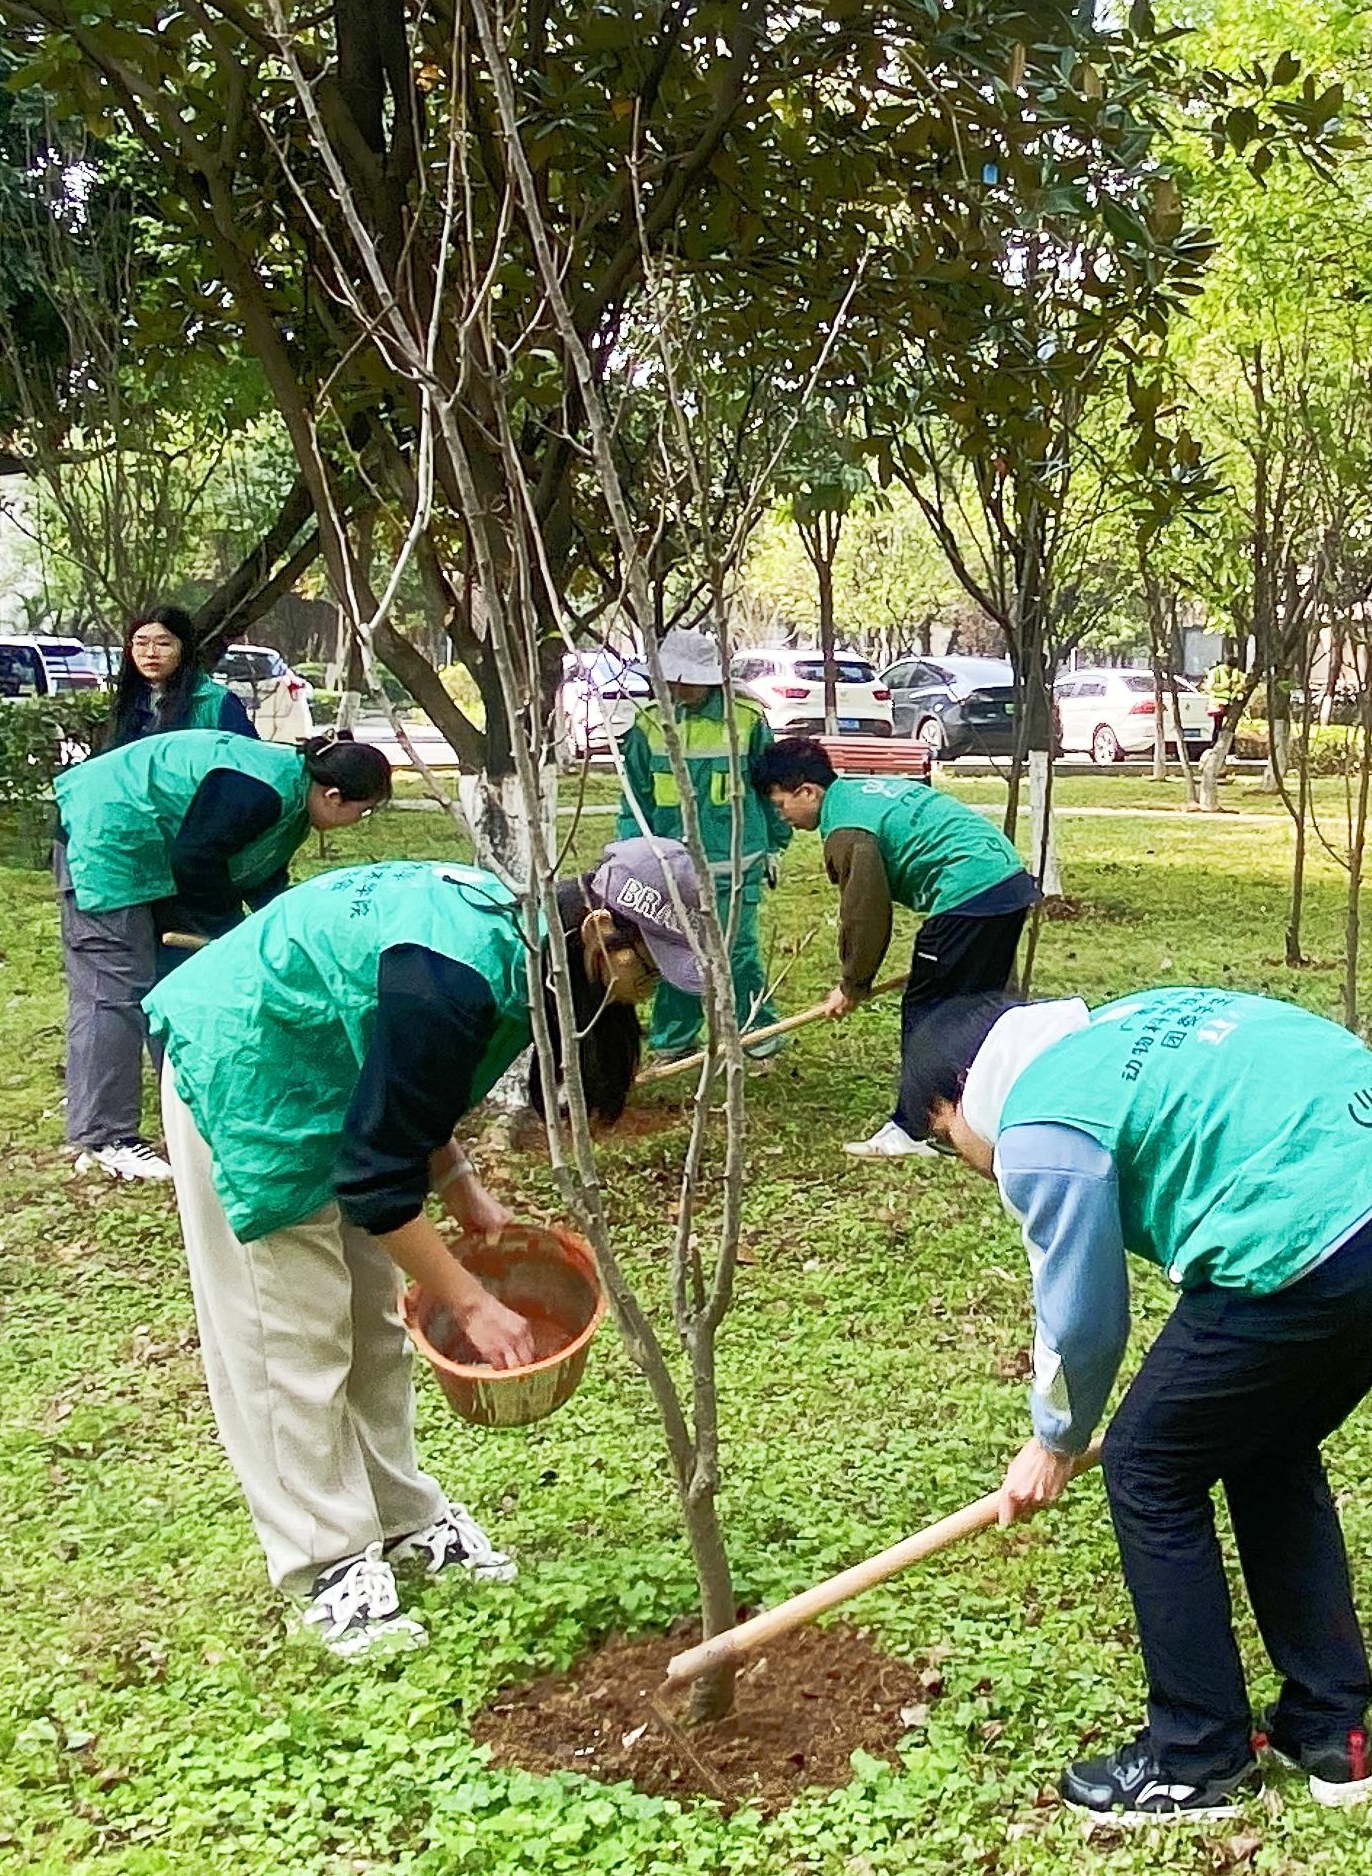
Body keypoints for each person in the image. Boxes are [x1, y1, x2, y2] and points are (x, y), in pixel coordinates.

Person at [901, 983, 1372, 1821]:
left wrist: (1055, 1437)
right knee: (1267, 1441)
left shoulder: (1037, 1122)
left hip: (1311, 1238)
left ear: (961, 1092)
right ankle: (1328, 1727)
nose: (973, 1164)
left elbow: (1082, 1312)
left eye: (948, 1140)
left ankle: (1196, 1755)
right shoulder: (1124, 1024)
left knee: (1146, 1467)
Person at [144, 841, 698, 1656]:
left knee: (372, 1325)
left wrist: (460, 1184)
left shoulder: (522, 946)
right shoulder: (458, 973)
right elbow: (376, 1180)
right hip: (247, 1072)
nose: (648, 993)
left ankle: (402, 1517)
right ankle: (326, 1564)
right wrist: (471, 1302)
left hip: (330, 1074)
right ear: (599, 930)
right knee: (289, 1336)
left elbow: (405, 1079)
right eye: (648, 969)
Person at [50, 732, 395, 1181]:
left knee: (181, 984)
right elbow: (197, 860)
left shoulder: (295, 798)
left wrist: (288, 938)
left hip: (163, 847)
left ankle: (191, 1114)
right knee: (113, 986)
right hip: (109, 834)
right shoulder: (261, 791)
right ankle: (104, 1138)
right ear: (333, 797)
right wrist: (230, 933)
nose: (360, 821)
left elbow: (259, 877)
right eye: (363, 811)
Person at [743, 734, 1040, 1159]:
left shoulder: (846, 830)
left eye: (779, 805)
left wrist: (853, 984)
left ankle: (916, 1129)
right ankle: (991, 1108)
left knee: (929, 1011)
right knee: (981, 1003)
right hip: (1006, 881)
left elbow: (865, 913)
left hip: (969, 891)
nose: (781, 816)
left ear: (807, 791)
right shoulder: (859, 793)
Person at [611, 631, 782, 1059]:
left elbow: (771, 789)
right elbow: (635, 800)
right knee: (676, 950)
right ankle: (675, 1041)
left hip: (734, 865)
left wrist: (776, 844)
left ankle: (756, 1035)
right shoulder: (648, 724)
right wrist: (630, 856)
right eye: (672, 678)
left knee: (737, 954)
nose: (679, 687)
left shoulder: (747, 720)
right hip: (668, 869)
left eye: (688, 679)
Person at [103, 603, 256, 749]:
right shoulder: (129, 699)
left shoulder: (216, 701)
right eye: (141, 644)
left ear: (184, 649)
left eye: (163, 644)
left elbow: (248, 759)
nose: (150, 653)